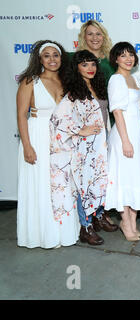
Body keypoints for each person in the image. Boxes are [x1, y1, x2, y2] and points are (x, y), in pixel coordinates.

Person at [49, 50, 117, 246]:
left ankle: (97, 217)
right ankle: (85, 227)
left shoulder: (98, 88)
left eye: (93, 64)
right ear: (76, 68)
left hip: (100, 146)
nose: (90, 68)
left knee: (98, 183)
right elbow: (57, 120)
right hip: (83, 148)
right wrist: (81, 130)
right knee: (83, 186)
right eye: (85, 64)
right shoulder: (74, 93)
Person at [16, 40, 78, 249]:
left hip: (62, 140)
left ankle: (63, 233)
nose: (52, 59)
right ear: (39, 59)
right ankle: (44, 235)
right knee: (41, 185)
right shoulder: (30, 81)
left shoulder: (67, 81)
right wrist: (27, 145)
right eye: (47, 55)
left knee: (62, 188)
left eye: (56, 55)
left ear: (62, 58)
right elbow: (21, 116)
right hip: (38, 137)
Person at [105, 42, 140, 241]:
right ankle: (126, 222)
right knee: (124, 179)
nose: (128, 59)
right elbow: (117, 112)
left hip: (135, 135)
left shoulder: (131, 78)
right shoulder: (116, 79)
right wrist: (125, 141)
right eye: (123, 55)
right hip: (123, 137)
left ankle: (131, 222)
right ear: (115, 59)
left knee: (132, 178)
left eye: (130, 55)